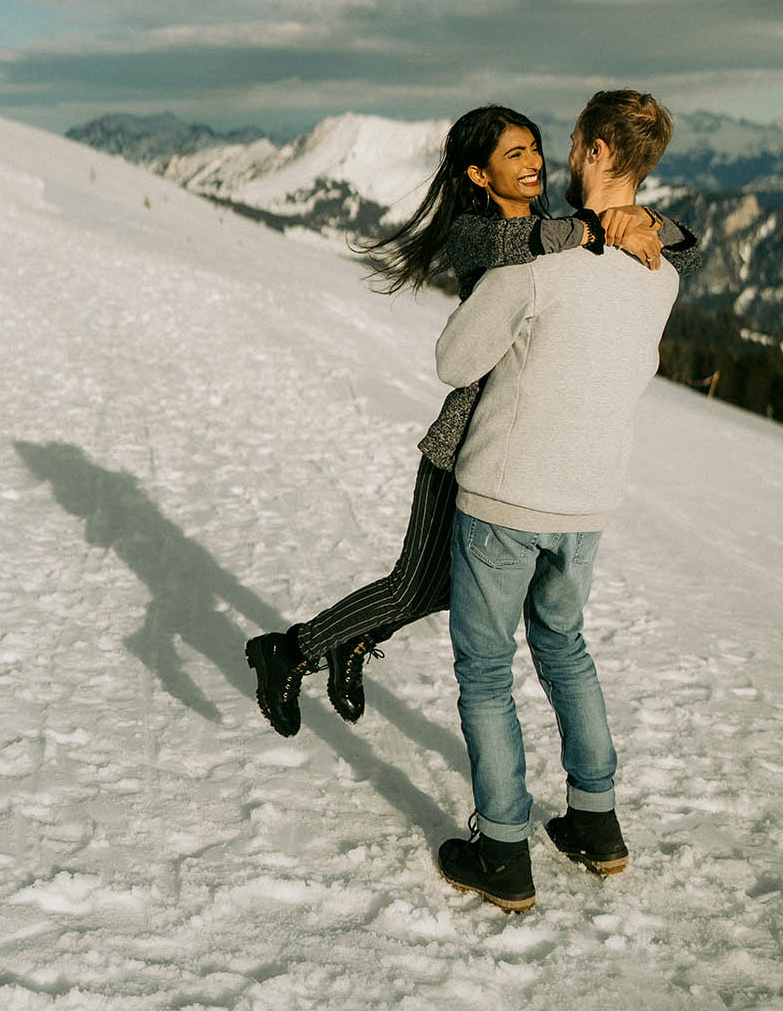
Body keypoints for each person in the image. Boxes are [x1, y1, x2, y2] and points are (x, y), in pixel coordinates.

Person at [245, 103, 698, 737]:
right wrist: (604, 229)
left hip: (515, 453)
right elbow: (535, 247)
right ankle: (291, 650)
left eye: (537, 148)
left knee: (452, 589)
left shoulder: (555, 228)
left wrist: (642, 220)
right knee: (413, 589)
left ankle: (348, 640)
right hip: (463, 446)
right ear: (480, 176)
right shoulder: (480, 234)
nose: (536, 162)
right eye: (515, 155)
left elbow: (684, 252)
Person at [435, 90, 681, 914]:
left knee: (483, 671)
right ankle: (594, 823)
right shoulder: (660, 274)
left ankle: (502, 850)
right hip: (587, 501)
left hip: (505, 493)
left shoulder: (532, 269)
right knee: (565, 648)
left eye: (574, 145)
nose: (563, 159)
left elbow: (454, 359)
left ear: (596, 151)